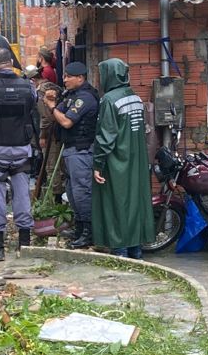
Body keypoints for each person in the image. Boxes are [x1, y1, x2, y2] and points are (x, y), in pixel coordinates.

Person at [0, 46, 40, 261]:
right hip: (21, 148)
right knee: (22, 194)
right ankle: (24, 245)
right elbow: (33, 107)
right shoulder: (28, 86)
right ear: (11, 63)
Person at [91, 57, 151, 259]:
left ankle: (120, 251)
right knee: (134, 203)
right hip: (136, 161)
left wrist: (98, 164)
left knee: (116, 204)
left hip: (117, 162)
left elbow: (106, 136)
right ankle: (136, 250)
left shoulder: (109, 100)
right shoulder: (134, 97)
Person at [53, 61, 99, 249]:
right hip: (71, 150)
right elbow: (62, 110)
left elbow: (66, 122)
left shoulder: (86, 97)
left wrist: (51, 106)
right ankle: (79, 229)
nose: (64, 80)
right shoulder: (72, 95)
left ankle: (88, 232)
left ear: (80, 78)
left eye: (68, 76)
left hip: (81, 150)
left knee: (82, 193)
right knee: (72, 192)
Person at [36, 81, 65, 205]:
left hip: (51, 134)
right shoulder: (56, 89)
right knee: (59, 166)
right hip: (60, 132)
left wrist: (42, 135)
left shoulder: (42, 93)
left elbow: (46, 117)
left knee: (52, 166)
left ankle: (56, 199)